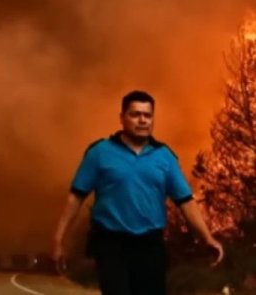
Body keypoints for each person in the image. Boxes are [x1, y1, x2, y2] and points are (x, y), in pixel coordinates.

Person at [52, 90, 223, 295]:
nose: (142, 120)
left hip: (150, 245)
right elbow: (76, 197)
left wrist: (207, 238)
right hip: (111, 243)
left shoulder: (165, 156)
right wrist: (59, 239)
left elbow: (186, 201)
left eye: (147, 115)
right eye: (135, 114)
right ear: (122, 118)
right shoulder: (99, 153)